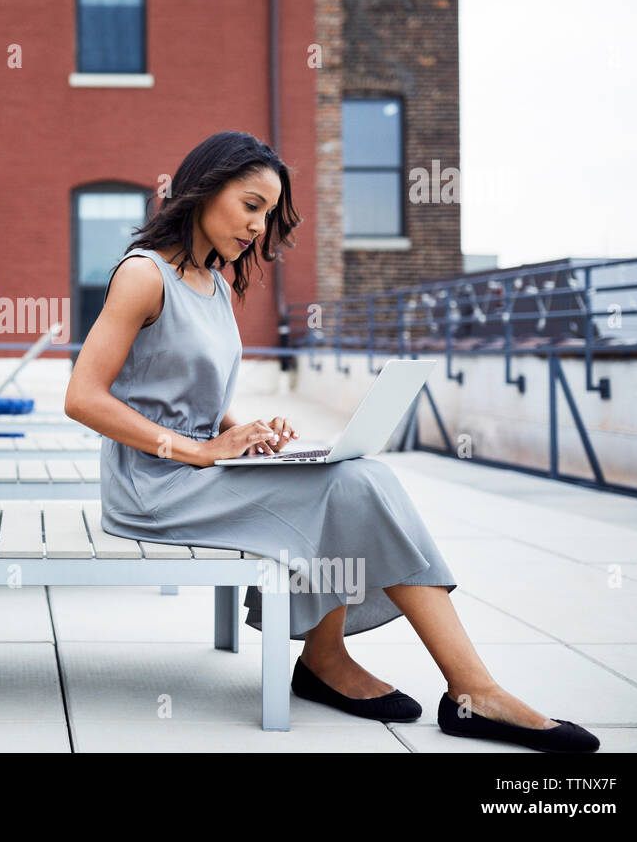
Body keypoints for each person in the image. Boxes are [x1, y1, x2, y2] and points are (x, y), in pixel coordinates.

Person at [63, 130, 599, 752]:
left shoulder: (215, 281)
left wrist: (242, 430)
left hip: (196, 471)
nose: (260, 227)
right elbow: (84, 397)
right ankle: (462, 689)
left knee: (355, 474)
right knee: (347, 486)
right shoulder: (143, 275)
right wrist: (200, 450)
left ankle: (347, 663)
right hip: (152, 485)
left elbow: (189, 393)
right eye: (251, 205)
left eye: (269, 213)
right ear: (204, 191)